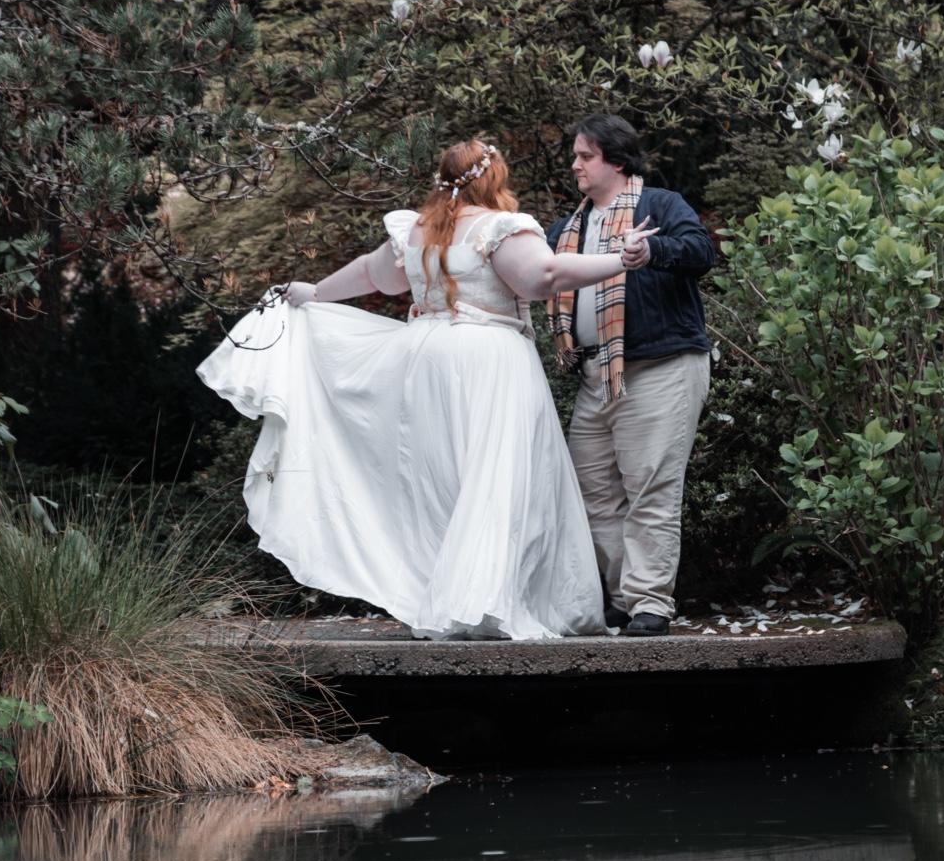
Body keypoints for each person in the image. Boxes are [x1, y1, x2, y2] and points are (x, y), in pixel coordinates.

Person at [197, 139, 655, 640]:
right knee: (498, 475)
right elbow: (541, 278)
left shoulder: (418, 229)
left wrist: (316, 292)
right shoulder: (501, 227)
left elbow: (374, 275)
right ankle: (486, 600)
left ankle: (453, 596)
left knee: (443, 481)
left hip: (424, 358)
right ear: (492, 177)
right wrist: (619, 260)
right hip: (486, 359)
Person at [546, 115, 716, 637]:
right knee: (592, 490)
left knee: (649, 488)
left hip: (659, 365)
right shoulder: (566, 229)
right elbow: (534, 275)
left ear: (617, 160)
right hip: (595, 372)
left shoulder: (659, 205)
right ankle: (622, 596)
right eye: (575, 156)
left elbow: (701, 251)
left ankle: (650, 603)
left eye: (585, 156)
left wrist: (652, 250)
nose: (575, 165)